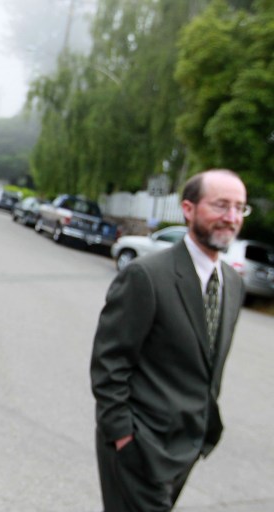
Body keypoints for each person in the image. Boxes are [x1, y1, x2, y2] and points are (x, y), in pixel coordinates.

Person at [90, 169, 248, 511]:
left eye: (240, 208)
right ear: (188, 209)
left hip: (187, 447)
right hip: (138, 447)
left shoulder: (233, 284)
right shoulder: (146, 275)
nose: (232, 218)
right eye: (221, 206)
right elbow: (109, 362)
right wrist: (123, 436)